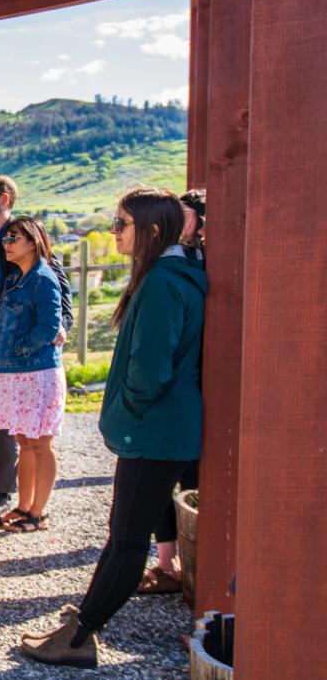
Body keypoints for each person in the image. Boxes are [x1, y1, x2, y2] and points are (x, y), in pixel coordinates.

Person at [21, 188, 206, 667]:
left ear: (152, 230)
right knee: (123, 532)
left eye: (121, 223)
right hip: (160, 426)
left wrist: (127, 407)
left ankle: (81, 636)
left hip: (155, 428)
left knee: (126, 538)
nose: (114, 232)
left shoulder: (163, 282)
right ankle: (82, 622)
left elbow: (150, 370)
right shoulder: (172, 275)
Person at [0, 175, 74, 514]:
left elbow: (57, 288)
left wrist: (62, 324)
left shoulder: (22, 238)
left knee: (8, 422)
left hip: (7, 347)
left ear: (4, 199)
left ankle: (4, 490)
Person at [0, 217, 65, 533]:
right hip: (18, 373)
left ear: (34, 240)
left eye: (13, 238)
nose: (7, 244)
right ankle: (24, 507)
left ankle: (37, 513)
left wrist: (19, 348)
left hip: (37, 373)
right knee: (25, 442)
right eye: (6, 239)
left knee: (41, 443)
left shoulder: (43, 278)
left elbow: (50, 326)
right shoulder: (19, 277)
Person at [138, 187, 206, 594]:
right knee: (161, 480)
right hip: (174, 385)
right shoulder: (169, 265)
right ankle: (166, 559)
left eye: (185, 215)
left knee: (189, 477)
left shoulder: (194, 266)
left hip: (190, 383)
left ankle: (185, 563)